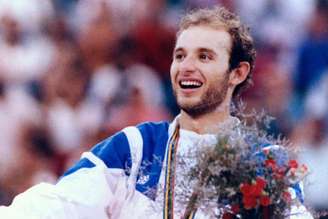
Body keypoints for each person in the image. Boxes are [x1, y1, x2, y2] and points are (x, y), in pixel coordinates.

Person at [0, 6, 312, 219]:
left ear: (237, 73)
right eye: (180, 55)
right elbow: (59, 205)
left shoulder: (266, 163)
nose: (186, 66)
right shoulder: (136, 147)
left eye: (205, 56)